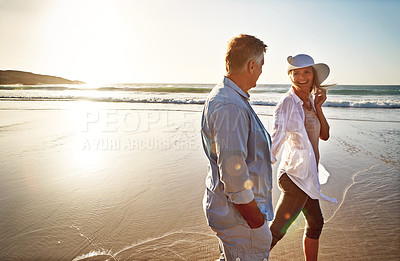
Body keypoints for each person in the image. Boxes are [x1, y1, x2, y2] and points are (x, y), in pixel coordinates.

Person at [201, 34, 273, 261]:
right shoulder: (230, 105)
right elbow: (234, 178)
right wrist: (257, 224)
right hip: (241, 222)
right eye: (261, 65)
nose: (262, 71)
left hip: (234, 217)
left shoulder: (228, 98)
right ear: (252, 65)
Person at [269, 54, 337, 261]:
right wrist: (256, 172)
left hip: (308, 175)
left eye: (306, 71)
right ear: (290, 76)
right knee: (276, 232)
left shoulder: (309, 100)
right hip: (294, 176)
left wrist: (318, 108)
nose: (301, 77)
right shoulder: (287, 103)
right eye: (295, 73)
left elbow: (324, 135)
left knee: (316, 223)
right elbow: (276, 139)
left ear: (314, 75)